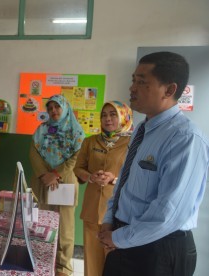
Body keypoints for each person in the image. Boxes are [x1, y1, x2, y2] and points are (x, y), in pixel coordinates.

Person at [98, 51, 209, 276]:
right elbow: (125, 184)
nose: (132, 88)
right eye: (133, 80)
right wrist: (110, 220)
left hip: (159, 249)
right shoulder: (142, 129)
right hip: (127, 238)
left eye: (141, 82)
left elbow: (169, 212)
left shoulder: (184, 139)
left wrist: (118, 238)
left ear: (169, 90)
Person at [73, 101, 133, 276]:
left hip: (118, 212)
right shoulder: (90, 141)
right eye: (104, 115)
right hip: (92, 209)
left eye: (113, 114)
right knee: (92, 259)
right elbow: (78, 168)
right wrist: (90, 176)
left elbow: (137, 176)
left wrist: (114, 179)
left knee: (114, 260)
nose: (107, 119)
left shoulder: (132, 143)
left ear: (123, 116)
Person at [29, 94, 85, 276]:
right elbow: (34, 153)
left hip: (65, 183)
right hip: (42, 182)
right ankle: (40, 263)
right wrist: (44, 174)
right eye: (50, 108)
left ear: (65, 107)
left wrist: (56, 174)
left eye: (57, 107)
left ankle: (63, 268)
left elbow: (76, 158)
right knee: (41, 223)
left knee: (64, 228)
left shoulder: (76, 132)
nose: (53, 111)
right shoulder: (41, 129)